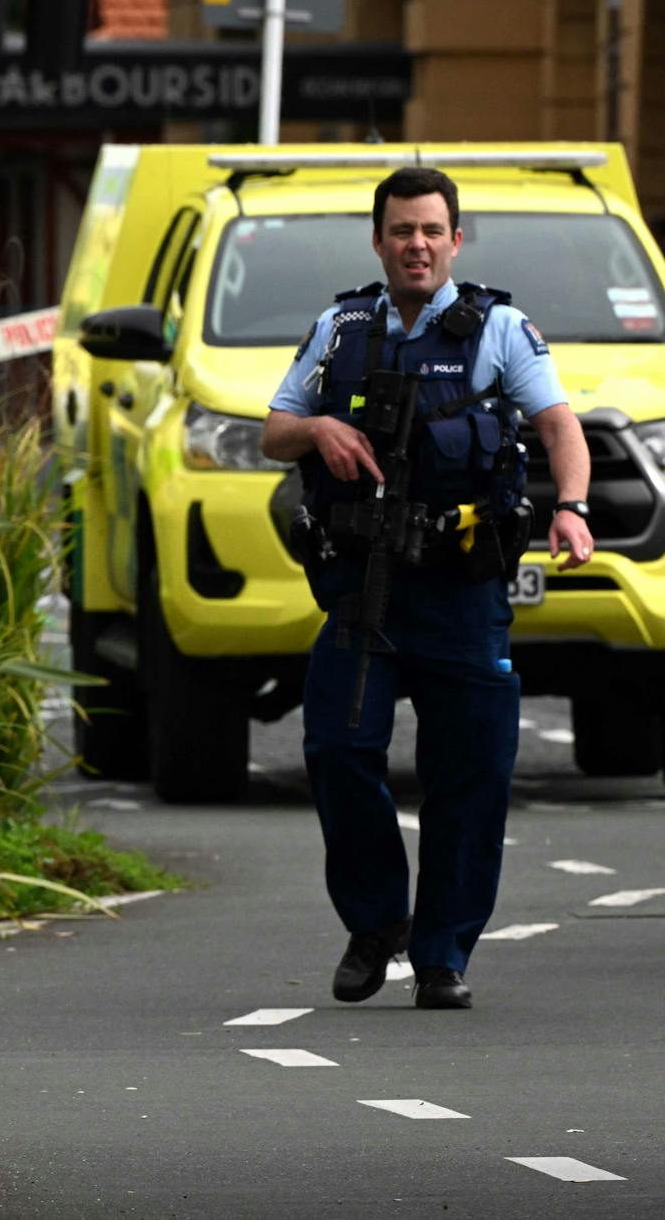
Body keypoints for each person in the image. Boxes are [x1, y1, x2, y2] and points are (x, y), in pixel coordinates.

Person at [260, 166, 594, 1011]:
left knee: (471, 774)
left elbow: (560, 426)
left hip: (460, 590)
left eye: (431, 231)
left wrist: (574, 509)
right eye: (401, 230)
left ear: (455, 239)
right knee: (337, 749)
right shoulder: (340, 327)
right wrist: (320, 426)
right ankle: (377, 923)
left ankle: (443, 953)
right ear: (379, 240)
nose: (417, 244)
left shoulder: (501, 329)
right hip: (363, 588)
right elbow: (274, 432)